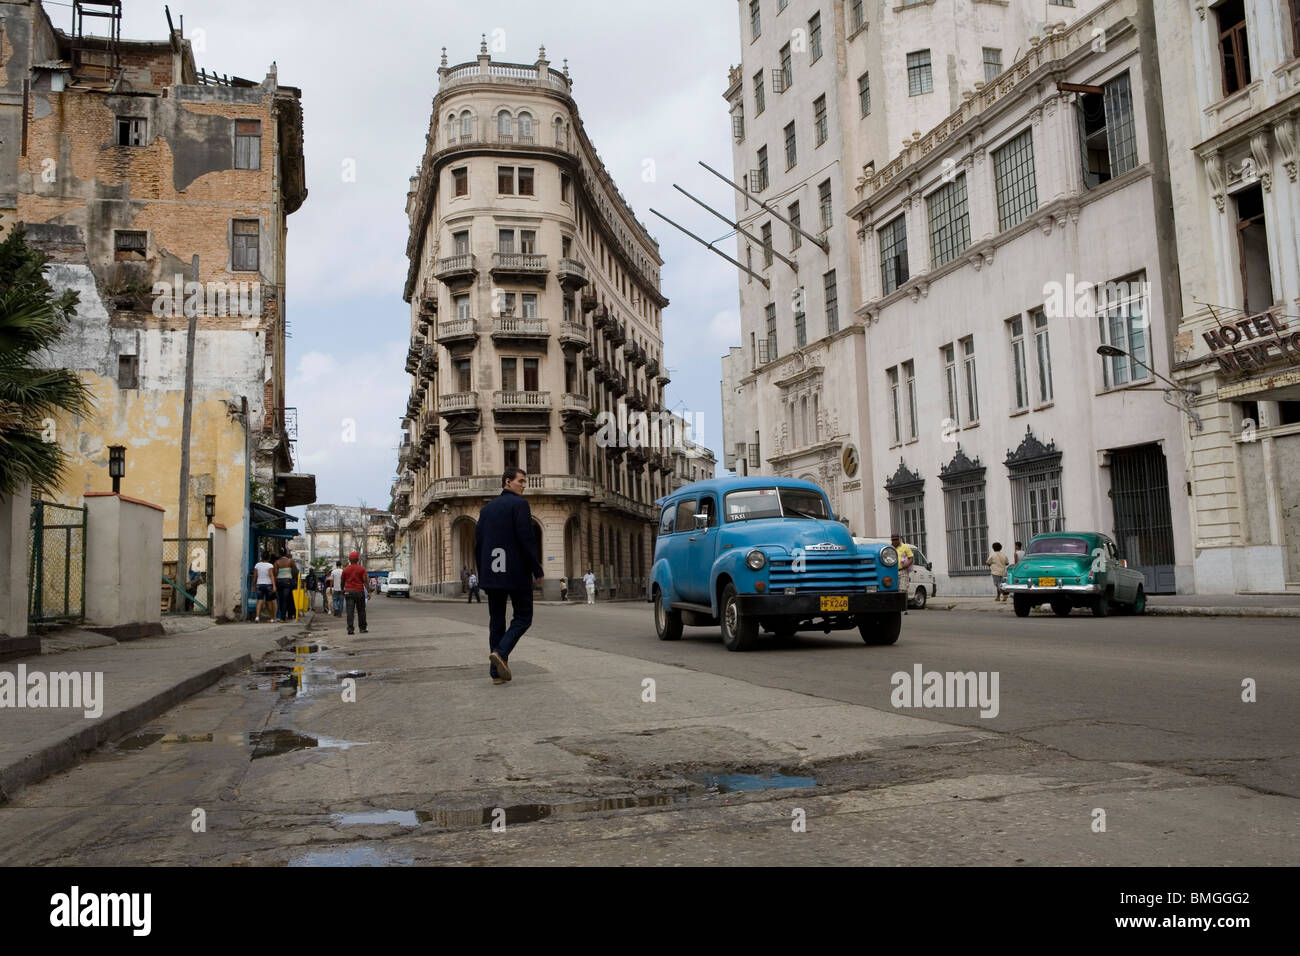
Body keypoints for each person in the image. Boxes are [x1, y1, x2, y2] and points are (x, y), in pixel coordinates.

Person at [475, 467, 544, 685]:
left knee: (496, 621)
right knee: (523, 617)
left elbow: (478, 545)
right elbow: (526, 538)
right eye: (521, 481)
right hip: (516, 573)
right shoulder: (519, 505)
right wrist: (536, 568)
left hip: (492, 574)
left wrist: (482, 572)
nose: (524, 485)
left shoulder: (486, 510)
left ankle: (496, 675)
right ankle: (501, 652)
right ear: (507, 482)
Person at [341, 550, 369, 634]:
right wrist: (368, 592)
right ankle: (362, 628)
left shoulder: (345, 569)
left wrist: (342, 589)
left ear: (349, 559)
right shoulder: (362, 569)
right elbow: (365, 581)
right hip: (359, 591)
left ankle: (350, 629)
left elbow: (342, 581)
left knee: (350, 612)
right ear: (358, 559)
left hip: (348, 592)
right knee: (361, 611)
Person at [890, 533, 914, 615]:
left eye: (896, 539)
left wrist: (907, 564)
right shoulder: (889, 548)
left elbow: (911, 557)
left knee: (903, 590)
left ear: (899, 539)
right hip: (892, 571)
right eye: (893, 540)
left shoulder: (905, 547)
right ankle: (896, 608)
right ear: (891, 540)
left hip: (903, 570)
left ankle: (904, 608)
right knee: (894, 590)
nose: (895, 541)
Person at [250, 552, 277, 622]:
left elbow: (255, 576)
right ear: (269, 558)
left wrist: (253, 585)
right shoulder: (270, 565)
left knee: (259, 601)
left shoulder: (257, 565)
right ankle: (271, 618)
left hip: (259, 585)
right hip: (268, 585)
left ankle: (257, 617)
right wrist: (274, 585)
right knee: (269, 602)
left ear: (261, 557)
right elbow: (271, 575)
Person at [273, 550, 297, 621]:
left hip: (279, 581)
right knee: (286, 599)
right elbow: (295, 571)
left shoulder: (276, 562)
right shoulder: (290, 561)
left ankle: (281, 616)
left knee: (280, 599)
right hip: (287, 581)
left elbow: (275, 573)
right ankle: (284, 617)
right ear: (286, 554)